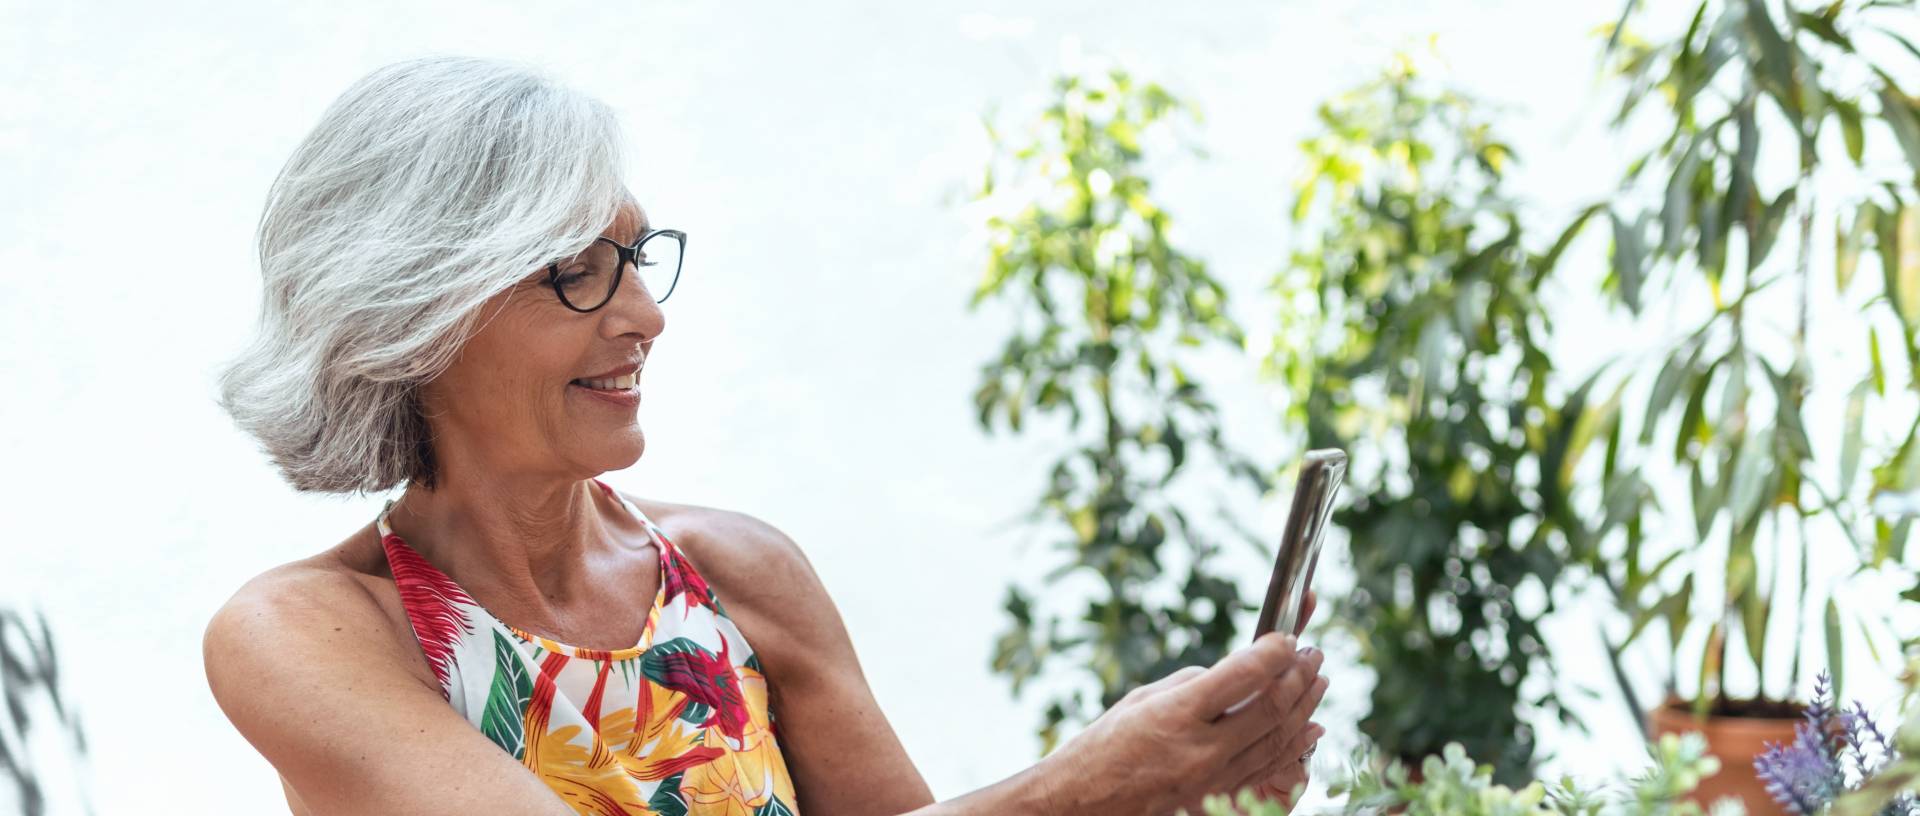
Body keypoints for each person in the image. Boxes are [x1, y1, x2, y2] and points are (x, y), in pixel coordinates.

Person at [201, 56, 1328, 816]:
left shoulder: (738, 573)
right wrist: (1076, 790)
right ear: (418, 311)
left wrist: (1179, 786)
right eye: (580, 271)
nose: (643, 315)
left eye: (638, 258)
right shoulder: (308, 634)